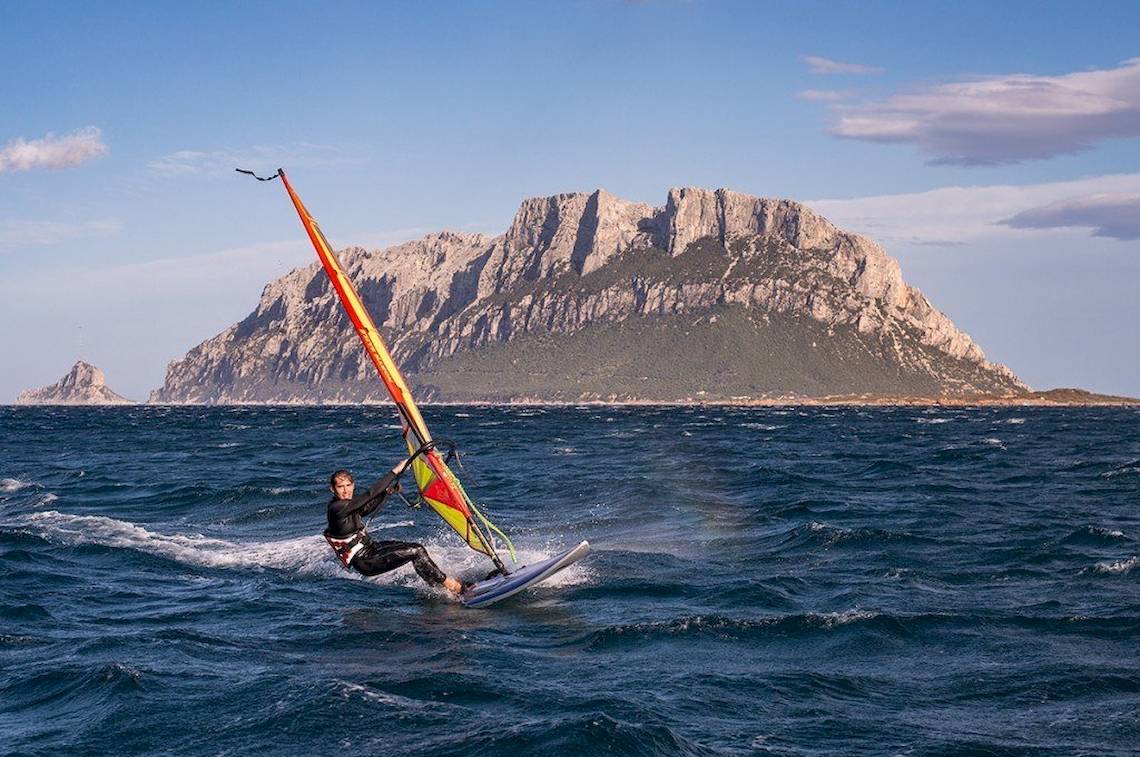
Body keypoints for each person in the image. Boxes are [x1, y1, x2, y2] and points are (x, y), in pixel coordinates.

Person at [323, 460, 466, 595]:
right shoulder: (337, 507)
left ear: (353, 485)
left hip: (372, 549)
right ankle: (453, 586)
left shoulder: (348, 504)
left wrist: (387, 492)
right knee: (416, 551)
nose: (346, 490)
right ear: (332, 489)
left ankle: (438, 587)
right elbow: (369, 494)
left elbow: (366, 509)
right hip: (364, 561)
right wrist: (395, 471)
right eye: (340, 487)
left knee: (416, 549)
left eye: (348, 485)